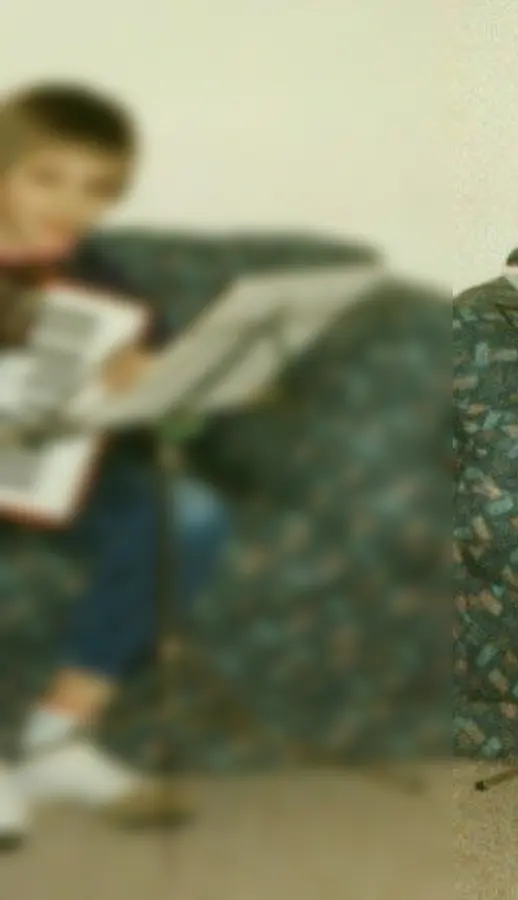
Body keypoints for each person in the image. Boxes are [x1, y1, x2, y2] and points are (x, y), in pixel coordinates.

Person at [0, 82, 232, 851]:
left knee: (190, 512)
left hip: (70, 470)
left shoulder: (100, 275)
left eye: (96, 190)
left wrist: (151, 379)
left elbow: (174, 401)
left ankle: (55, 739)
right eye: (47, 178)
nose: (70, 205)